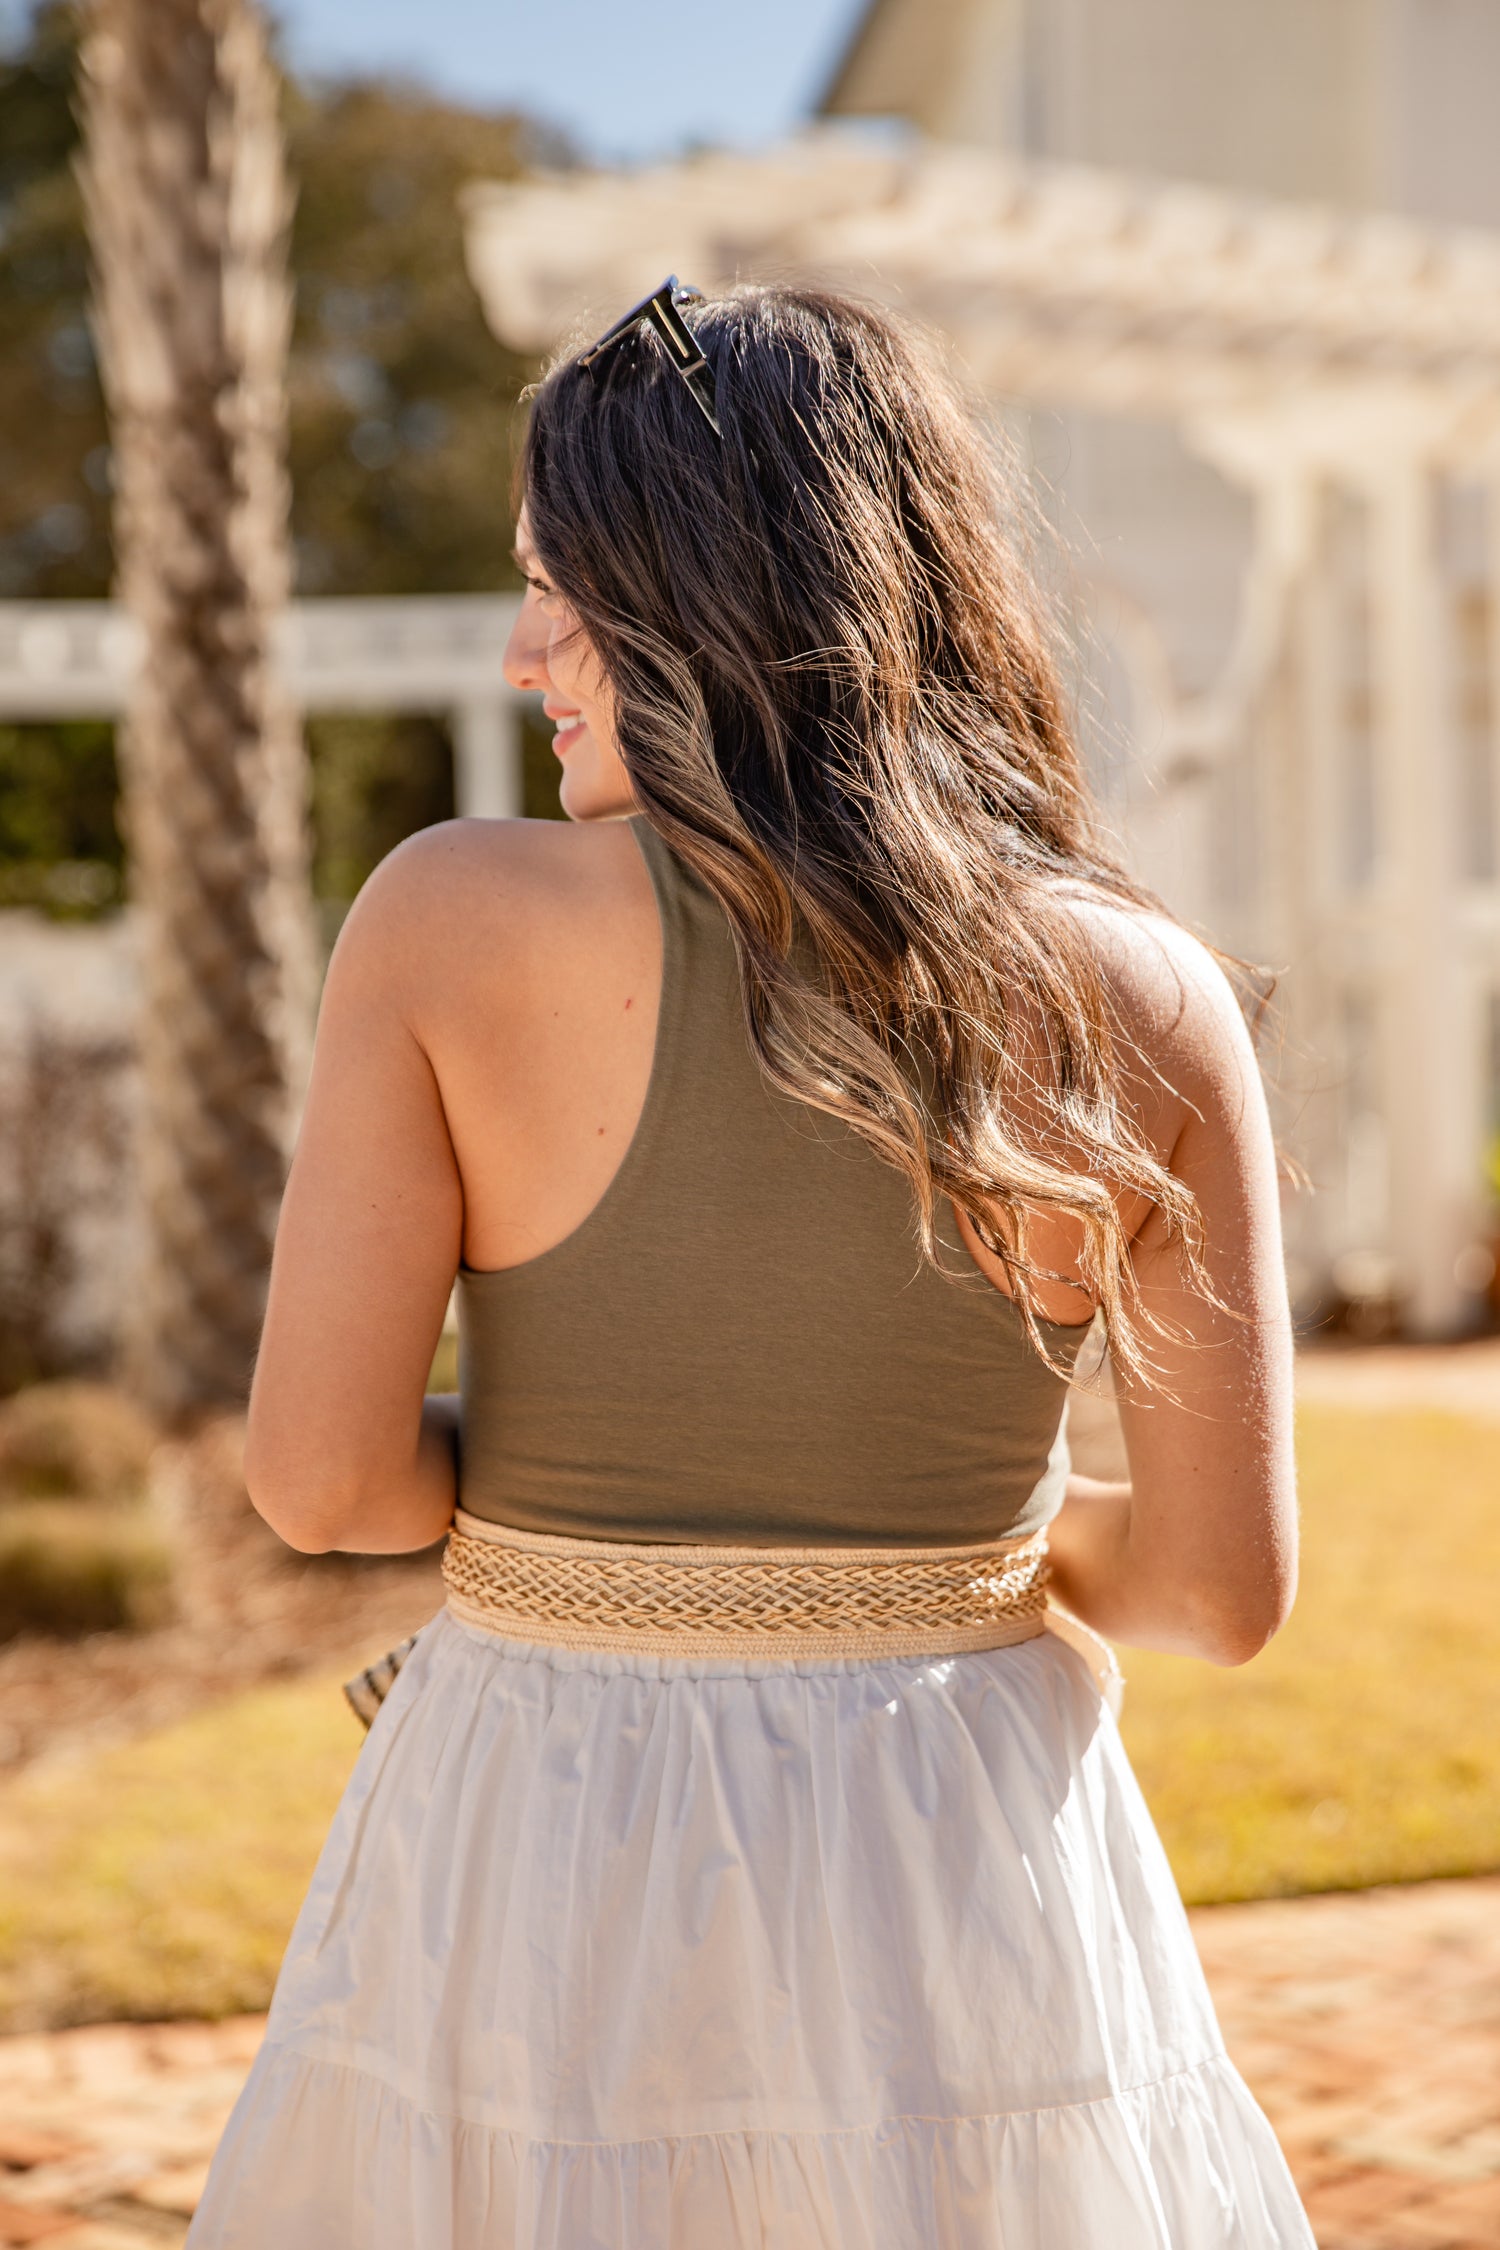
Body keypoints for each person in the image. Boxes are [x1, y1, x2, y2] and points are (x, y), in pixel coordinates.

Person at [188, 281, 1313, 2247]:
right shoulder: (1154, 994)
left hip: (543, 1823)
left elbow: (323, 1478)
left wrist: (570, 1470)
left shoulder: (448, 922)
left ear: (706, 599)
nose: (527, 648)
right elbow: (1221, 1593)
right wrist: (970, 1529)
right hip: (961, 1843)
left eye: (567, 590)